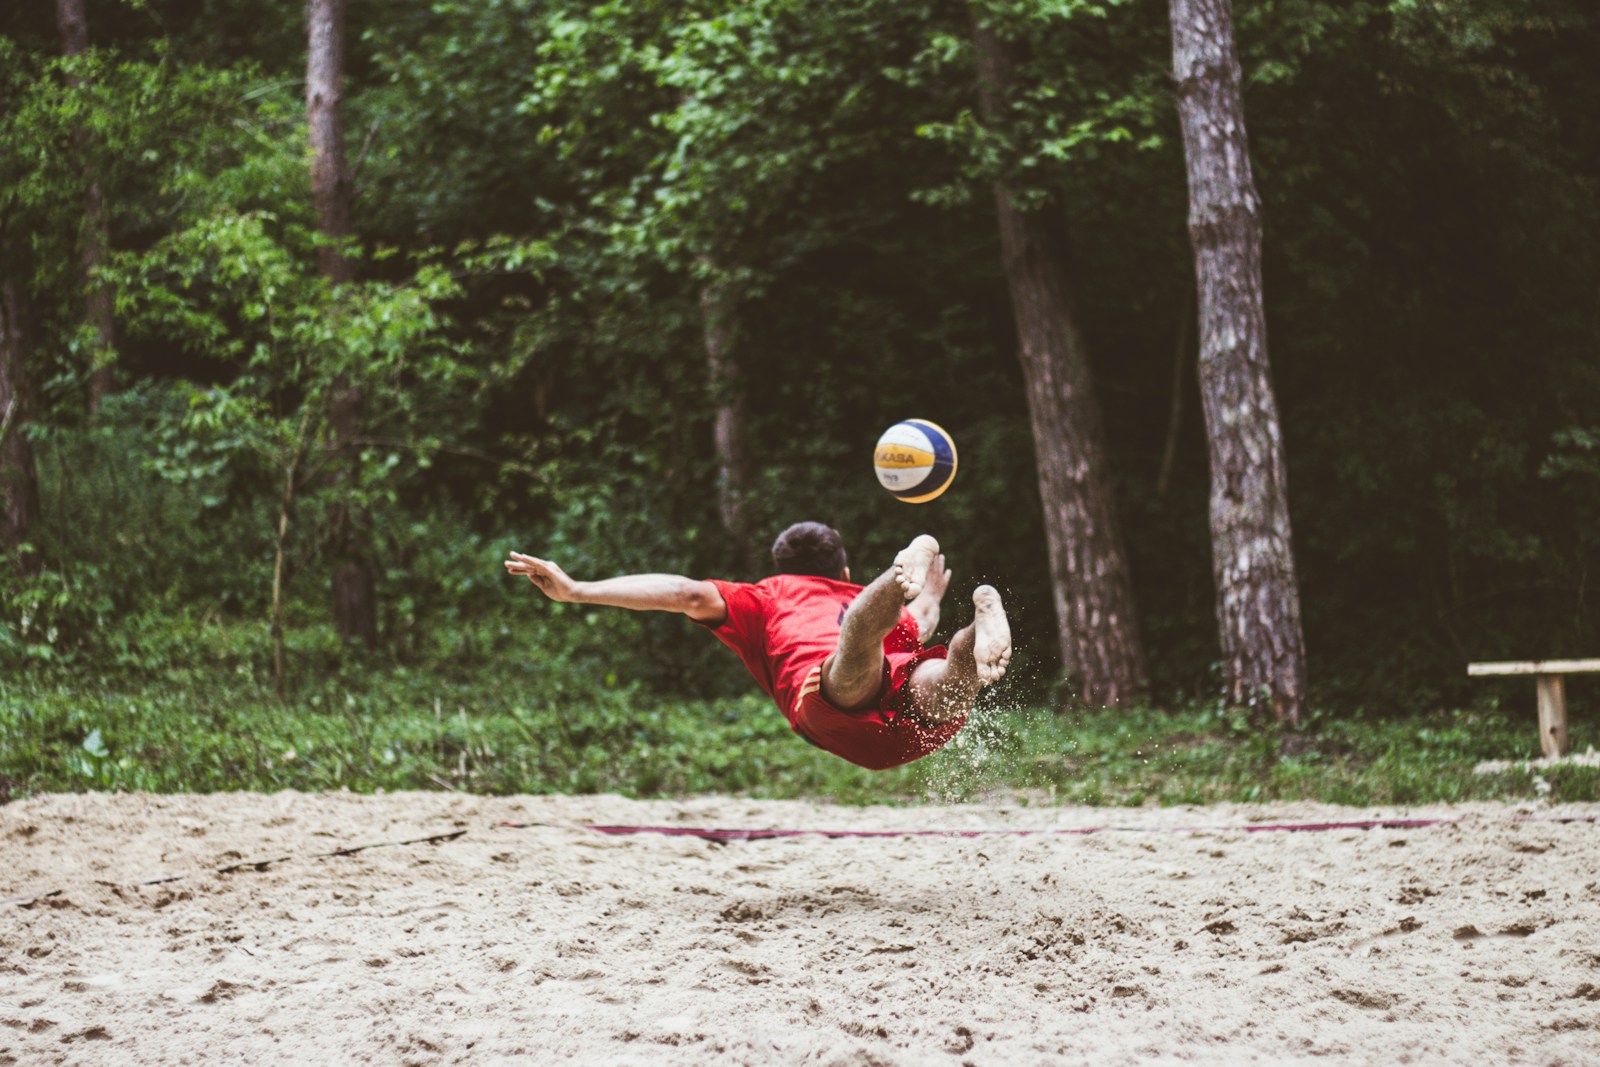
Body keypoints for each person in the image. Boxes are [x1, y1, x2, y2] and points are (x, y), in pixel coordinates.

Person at [504, 522, 1011, 770]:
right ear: (846, 573)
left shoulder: (765, 596)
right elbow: (919, 621)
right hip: (901, 672)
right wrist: (930, 601)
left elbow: (683, 593)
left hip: (830, 694)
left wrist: (577, 590)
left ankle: (868, 624)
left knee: (855, 656)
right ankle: (974, 627)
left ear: (780, 569)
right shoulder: (864, 596)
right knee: (947, 678)